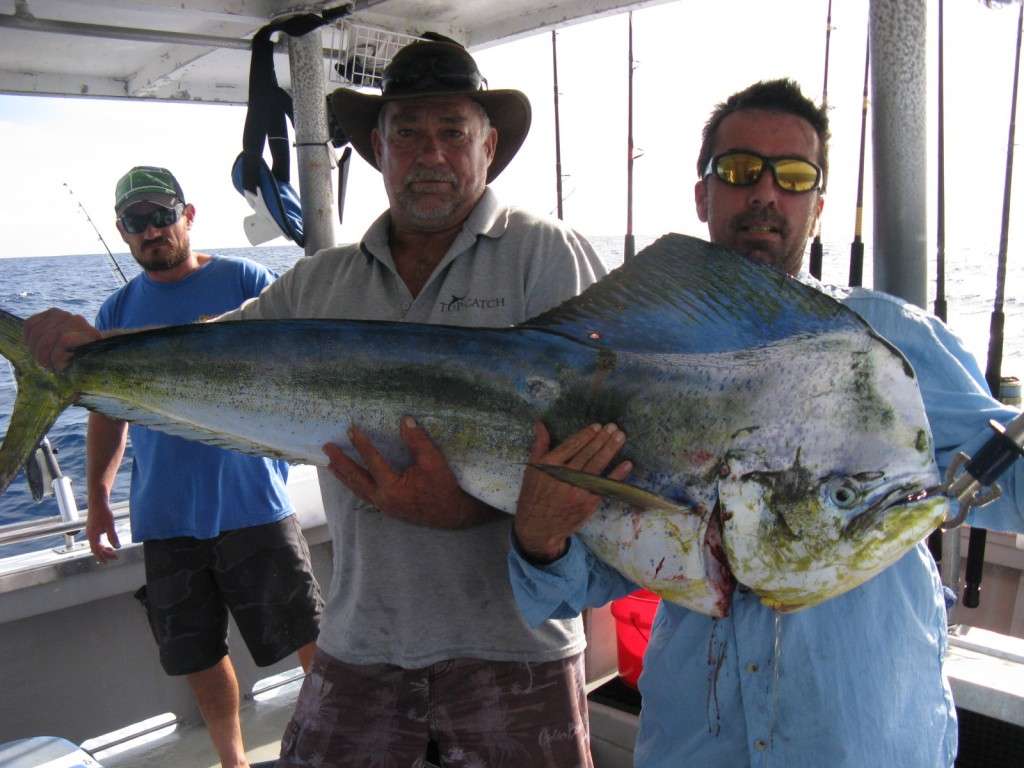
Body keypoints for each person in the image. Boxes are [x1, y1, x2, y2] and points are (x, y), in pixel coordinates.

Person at [508, 78, 1024, 767]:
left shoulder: (893, 339)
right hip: (698, 742)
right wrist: (540, 541)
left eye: (793, 176)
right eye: (741, 170)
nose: (765, 194)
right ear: (704, 194)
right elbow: (580, 584)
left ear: (817, 204)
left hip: (862, 744)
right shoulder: (635, 357)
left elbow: (1009, 488)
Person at [24, 166, 323, 768]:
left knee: (310, 639)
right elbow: (108, 414)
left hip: (254, 504)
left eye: (163, 215)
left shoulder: (246, 279)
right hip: (164, 518)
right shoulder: (113, 312)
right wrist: (101, 496)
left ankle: (335, 744)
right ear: (122, 232)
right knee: (197, 655)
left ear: (188, 216)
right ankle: (233, 762)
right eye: (138, 222)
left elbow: (296, 360)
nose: (152, 230)